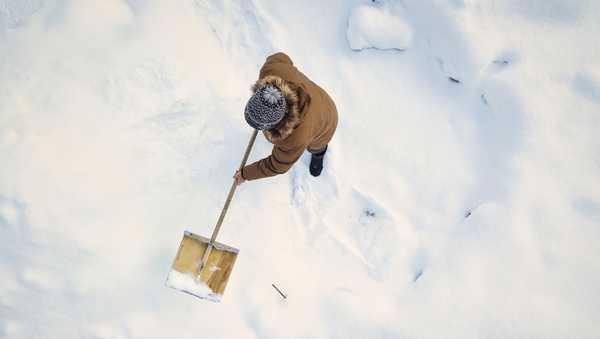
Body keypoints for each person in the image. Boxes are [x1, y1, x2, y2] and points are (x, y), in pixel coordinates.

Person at [234, 52, 338, 185]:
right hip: (319, 95)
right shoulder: (271, 71)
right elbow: (281, 57)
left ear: (276, 122)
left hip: (327, 120)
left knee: (317, 144)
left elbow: (276, 165)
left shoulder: (295, 138)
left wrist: (245, 174)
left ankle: (319, 154)